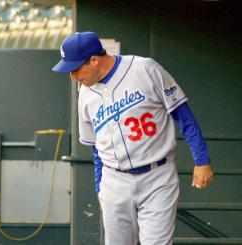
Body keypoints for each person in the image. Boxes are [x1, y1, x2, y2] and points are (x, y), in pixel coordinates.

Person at [52, 31, 214, 245]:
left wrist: (201, 160)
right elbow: (96, 149)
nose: (72, 76)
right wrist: (101, 187)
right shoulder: (85, 93)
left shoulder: (145, 69)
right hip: (114, 180)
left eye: (75, 69)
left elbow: (183, 115)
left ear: (94, 60)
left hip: (157, 176)